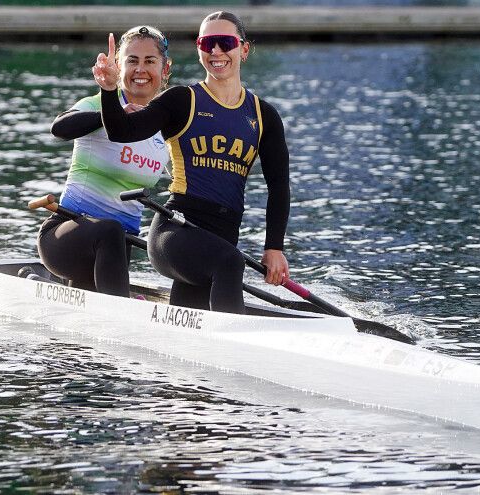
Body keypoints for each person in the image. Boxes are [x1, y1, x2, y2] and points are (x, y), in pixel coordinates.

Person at [92, 11, 291, 313]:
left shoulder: (264, 116)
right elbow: (122, 131)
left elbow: (279, 186)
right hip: (175, 232)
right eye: (207, 43)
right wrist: (108, 92)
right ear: (199, 50)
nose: (216, 51)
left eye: (225, 42)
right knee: (230, 261)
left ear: (244, 49)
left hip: (221, 236)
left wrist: (274, 247)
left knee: (193, 310)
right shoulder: (182, 100)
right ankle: (235, 351)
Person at [37, 25, 173, 296]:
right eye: (132, 61)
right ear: (118, 67)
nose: (140, 70)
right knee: (111, 230)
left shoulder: (166, 125)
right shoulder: (96, 103)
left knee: (122, 233)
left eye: (150, 61)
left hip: (116, 249)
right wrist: (114, 114)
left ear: (165, 70)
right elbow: (59, 128)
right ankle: (122, 309)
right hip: (65, 238)